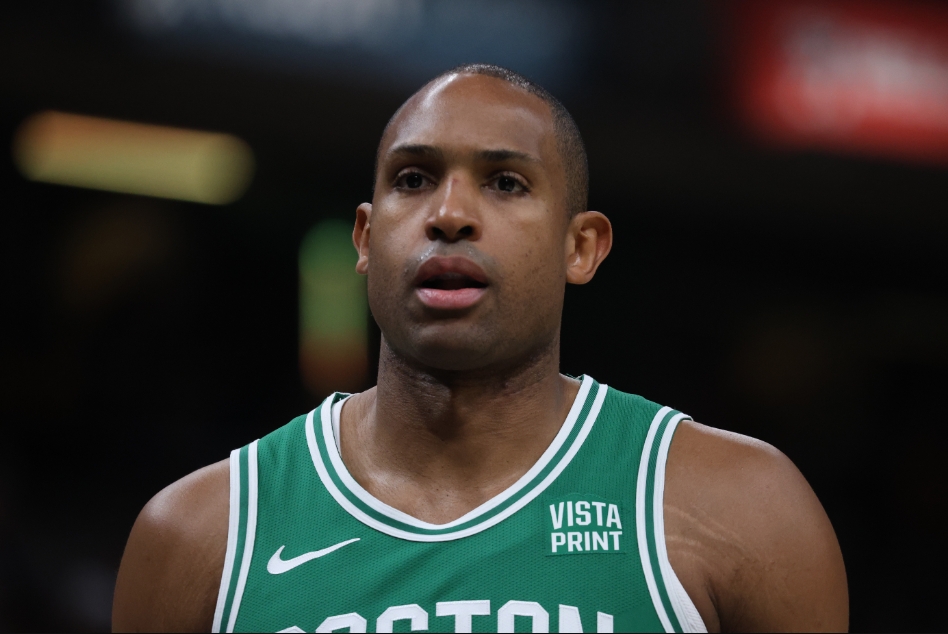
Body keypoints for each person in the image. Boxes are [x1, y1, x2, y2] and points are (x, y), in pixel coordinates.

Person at [112, 64, 848, 633]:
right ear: (366, 238)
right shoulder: (199, 536)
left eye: (505, 182)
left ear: (581, 247)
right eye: (413, 179)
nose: (450, 214)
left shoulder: (745, 510)